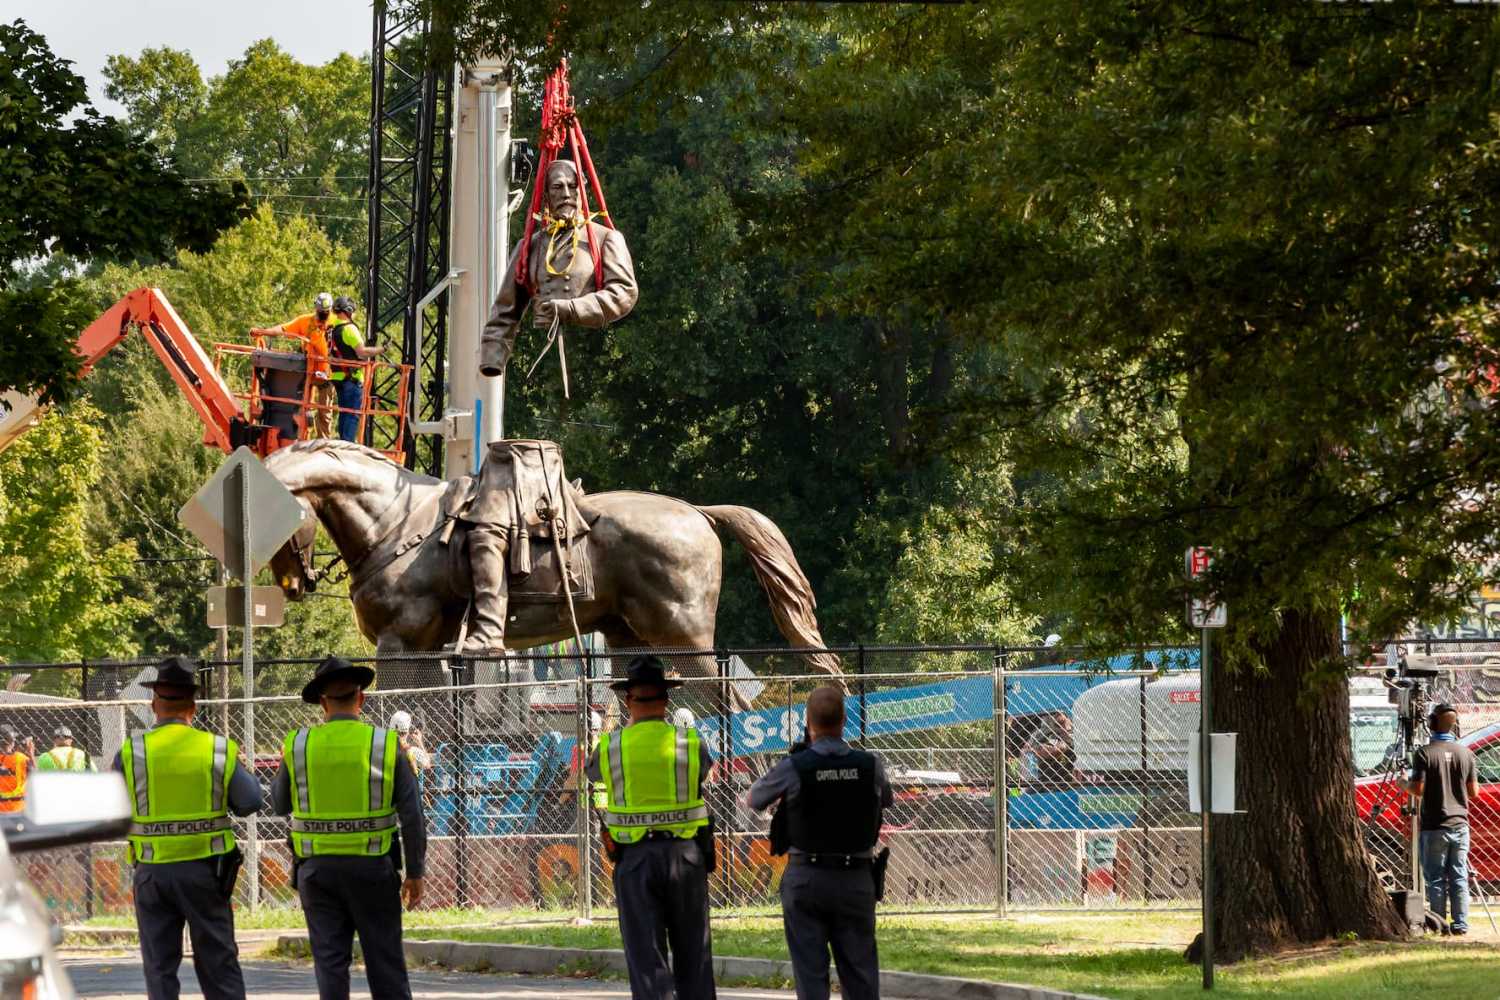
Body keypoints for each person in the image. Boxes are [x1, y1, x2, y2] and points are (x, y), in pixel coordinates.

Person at [458, 159, 639, 656]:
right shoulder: (530, 248)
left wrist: (572, 308)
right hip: (541, 371)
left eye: (570, 184)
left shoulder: (604, 240)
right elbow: (503, 313)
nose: (563, 192)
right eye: (554, 186)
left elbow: (624, 293)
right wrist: (492, 360)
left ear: (583, 189)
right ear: (543, 194)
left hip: (590, 364)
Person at [273, 656, 426, 1000]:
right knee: (386, 966)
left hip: (316, 873)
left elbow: (279, 804)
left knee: (330, 968)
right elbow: (413, 815)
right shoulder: (386, 745)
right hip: (374, 870)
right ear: (361, 699)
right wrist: (416, 872)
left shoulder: (298, 745)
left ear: (322, 703)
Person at [113, 656, 262, 1000]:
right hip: (207, 874)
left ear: (154, 705)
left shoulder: (132, 751)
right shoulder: (216, 749)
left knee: (160, 968)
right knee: (219, 964)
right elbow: (250, 801)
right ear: (193, 707)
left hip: (152, 874)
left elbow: (110, 807)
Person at [747, 686, 892, 1000]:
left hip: (807, 879)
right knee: (861, 976)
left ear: (808, 723)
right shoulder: (871, 765)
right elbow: (887, 800)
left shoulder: (796, 767)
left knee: (811, 978)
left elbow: (754, 798)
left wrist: (795, 762)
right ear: (843, 721)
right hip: (856, 877)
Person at [586, 655, 715, 1000]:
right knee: (695, 959)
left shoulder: (609, 748)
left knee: (647, 960)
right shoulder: (691, 743)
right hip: (686, 858)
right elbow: (706, 772)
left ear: (627, 699)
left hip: (635, 861)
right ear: (666, 699)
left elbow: (592, 774)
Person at [1410, 703, 1479, 935]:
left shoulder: (1423, 753)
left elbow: (1418, 789)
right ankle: (1461, 925)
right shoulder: (1466, 754)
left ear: (1432, 723)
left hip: (1434, 826)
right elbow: (1473, 792)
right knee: (1459, 876)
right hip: (1460, 824)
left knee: (1436, 879)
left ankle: (1439, 924)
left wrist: (1403, 784)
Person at [251, 293, 336, 438]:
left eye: (326, 313)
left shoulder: (335, 324)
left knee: (324, 412)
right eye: (321, 312)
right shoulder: (306, 321)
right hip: (308, 372)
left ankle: (322, 443)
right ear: (316, 309)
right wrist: (263, 332)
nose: (323, 315)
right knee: (301, 408)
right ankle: (300, 436)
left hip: (327, 375)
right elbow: (284, 329)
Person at [325, 296, 385, 443]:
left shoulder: (331, 329)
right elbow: (361, 352)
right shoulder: (349, 329)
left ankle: (342, 441)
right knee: (352, 414)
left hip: (338, 377)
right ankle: (347, 444)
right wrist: (381, 349)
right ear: (349, 311)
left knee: (344, 412)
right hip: (352, 378)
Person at [0, 725, 34, 814]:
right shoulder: (21, 759)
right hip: (19, 809)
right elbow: (35, 776)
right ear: (12, 741)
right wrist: (30, 753)